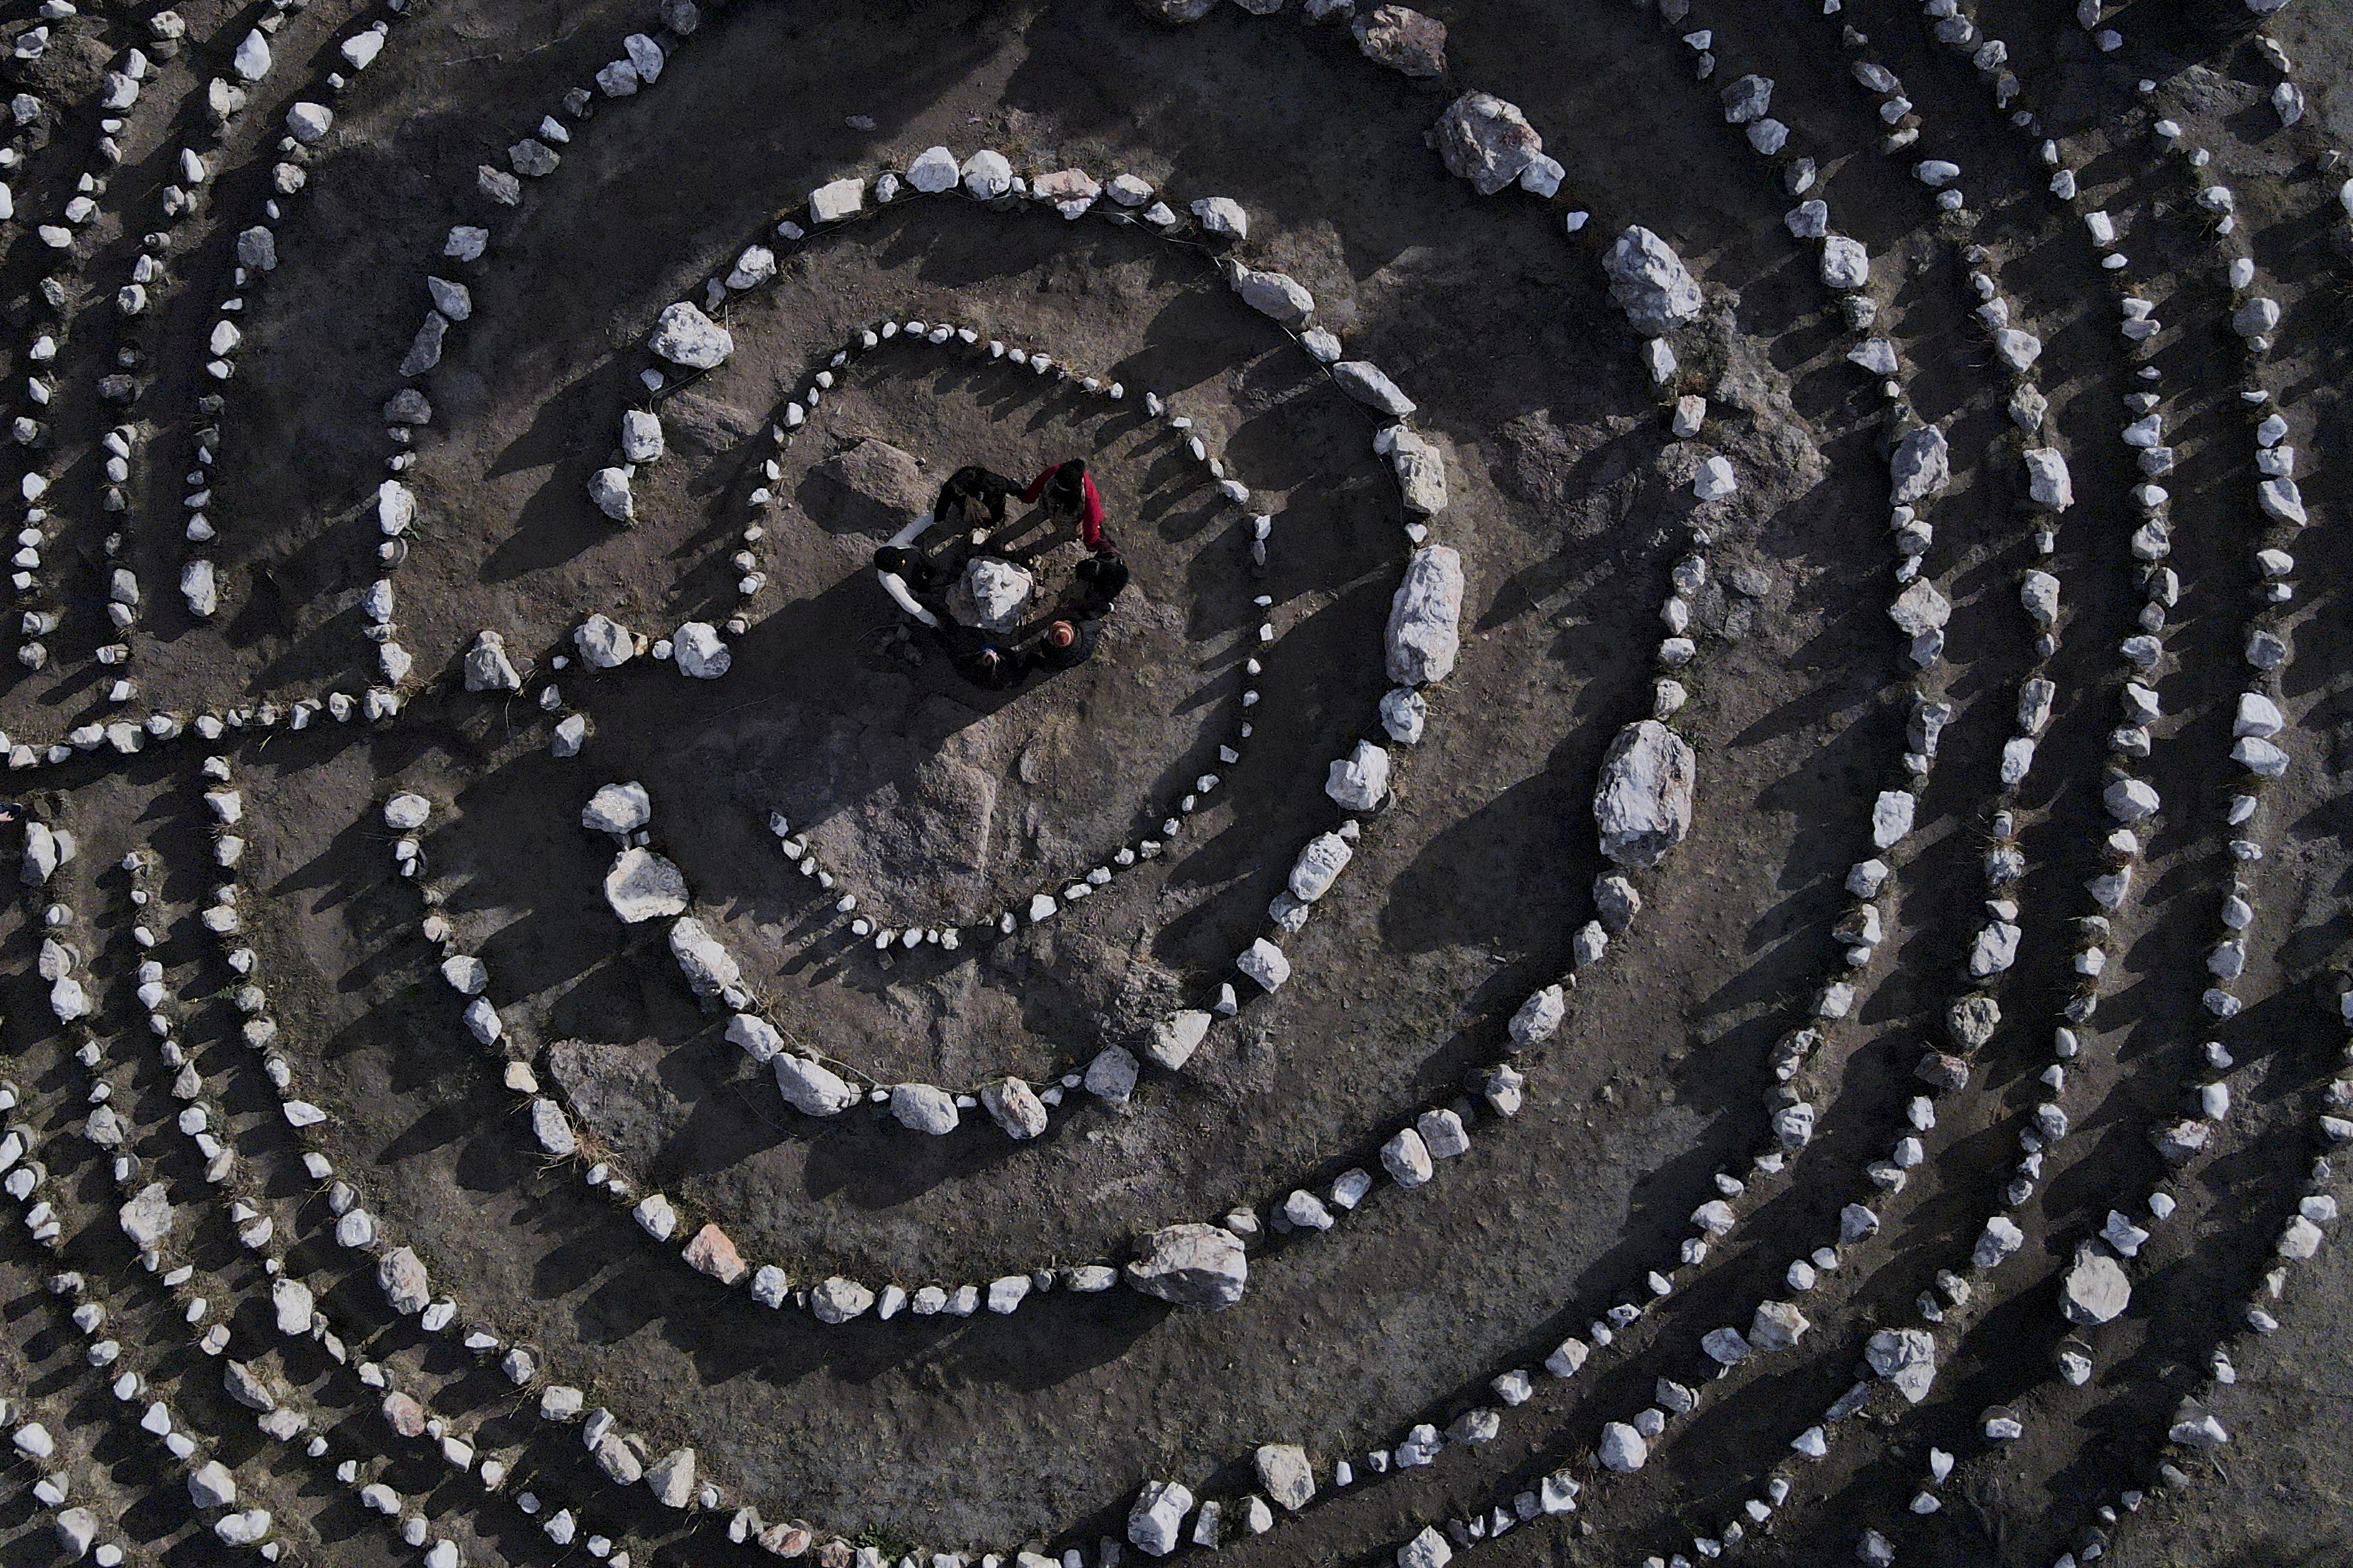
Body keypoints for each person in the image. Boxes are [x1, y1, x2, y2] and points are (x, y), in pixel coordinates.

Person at [1020, 457, 1105, 549]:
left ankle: (1004, 538)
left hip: (1048, 503)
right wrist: (1091, 542)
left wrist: (1028, 498)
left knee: (1037, 515)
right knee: (1065, 534)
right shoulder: (1089, 496)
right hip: (1068, 516)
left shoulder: (1057, 469)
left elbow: (1039, 483)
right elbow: (1092, 519)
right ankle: (1025, 554)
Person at [932, 466, 1021, 530]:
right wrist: (939, 518)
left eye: (959, 490)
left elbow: (1009, 486)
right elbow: (943, 501)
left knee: (994, 513)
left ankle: (990, 523)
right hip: (970, 500)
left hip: (992, 505)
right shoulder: (952, 485)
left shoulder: (991, 483)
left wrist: (1022, 494)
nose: (956, 491)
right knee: (952, 496)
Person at [1063, 547, 1130, 620]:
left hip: (1109, 585)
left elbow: (1093, 600)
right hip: (1106, 571)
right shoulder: (1096, 563)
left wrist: (1073, 604)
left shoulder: (1107, 587)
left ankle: (1108, 607)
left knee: (1090, 611)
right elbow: (1083, 565)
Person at [1033, 615, 1099, 672]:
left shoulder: (1055, 654)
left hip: (1064, 663)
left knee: (1034, 660)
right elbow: (1096, 624)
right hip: (1086, 651)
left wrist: (1043, 641)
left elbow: (1045, 652)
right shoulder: (1085, 628)